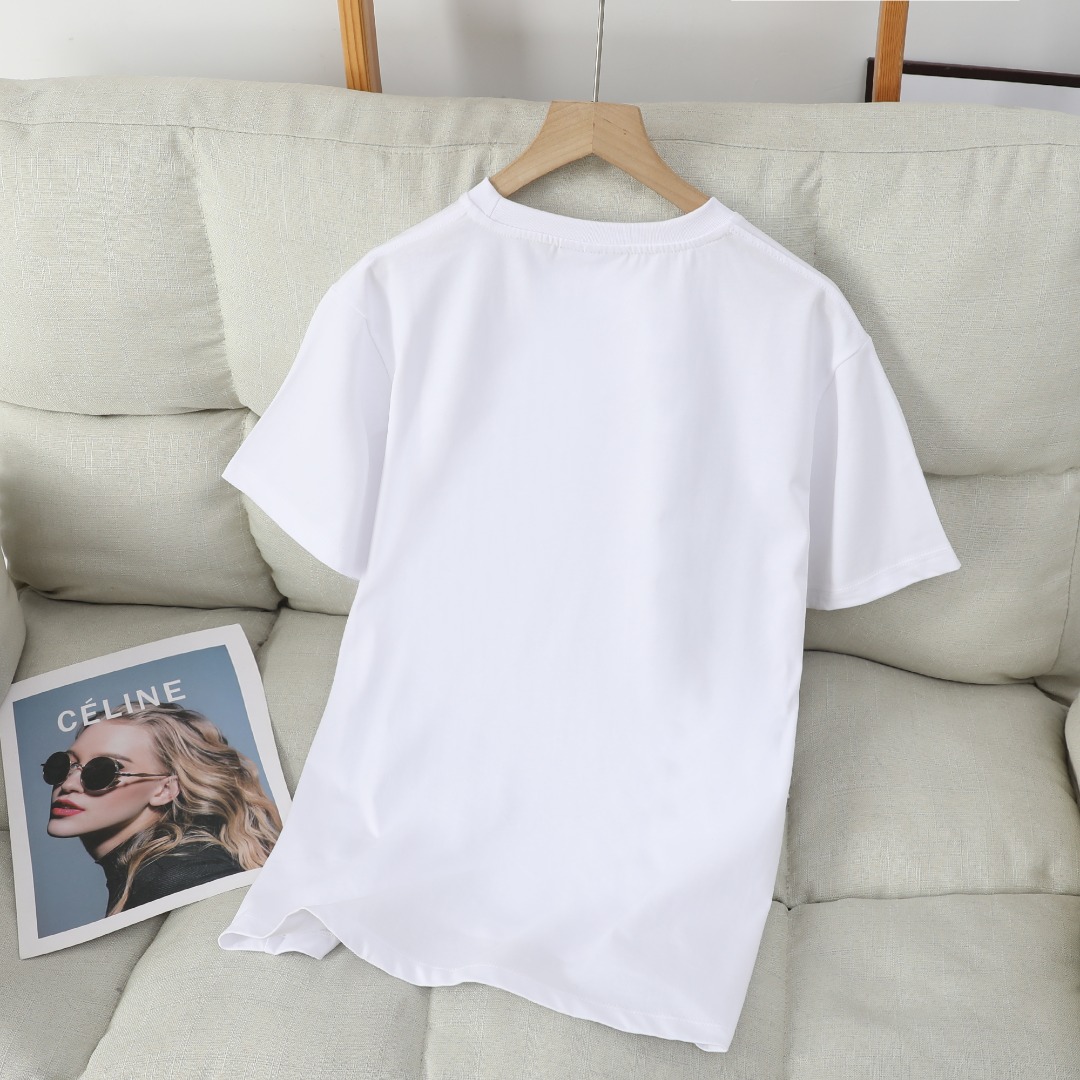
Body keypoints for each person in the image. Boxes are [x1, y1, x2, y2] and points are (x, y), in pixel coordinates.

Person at [43, 701, 282, 916]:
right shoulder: (152, 871)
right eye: (64, 765)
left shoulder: (179, 875)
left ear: (164, 790)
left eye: (102, 771)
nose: (68, 784)